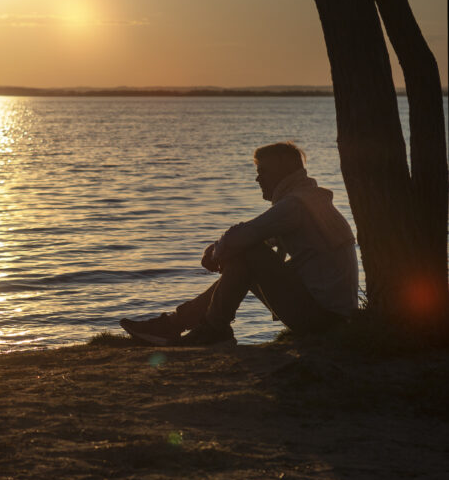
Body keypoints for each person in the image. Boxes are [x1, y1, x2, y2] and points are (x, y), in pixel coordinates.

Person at [120, 142, 358, 346]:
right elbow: (256, 237)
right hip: (332, 317)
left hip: (324, 321)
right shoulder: (309, 202)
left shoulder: (295, 206)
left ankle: (207, 328)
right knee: (246, 252)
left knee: (247, 253)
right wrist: (223, 249)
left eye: (263, 171)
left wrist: (215, 253)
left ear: (283, 172)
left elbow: (245, 235)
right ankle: (181, 324)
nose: (258, 178)